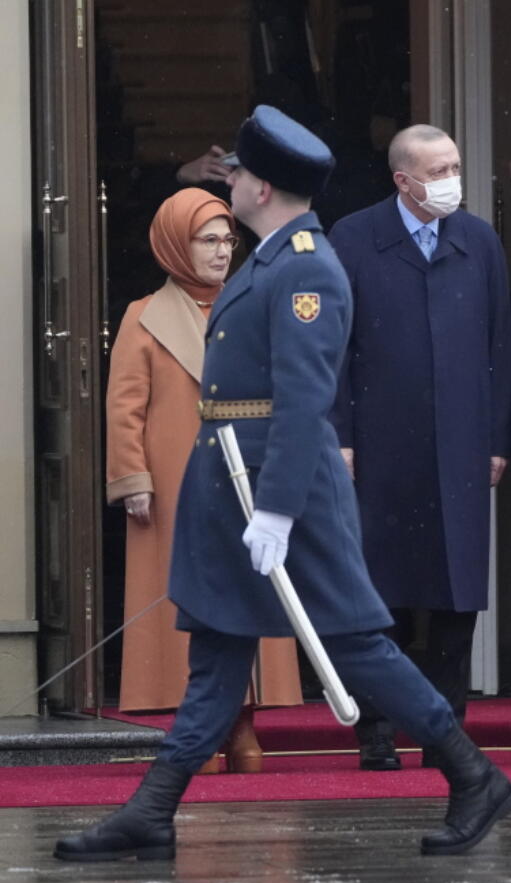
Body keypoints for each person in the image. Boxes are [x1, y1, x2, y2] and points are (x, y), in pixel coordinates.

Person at [54, 105, 511, 862]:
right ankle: (153, 808)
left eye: (237, 171)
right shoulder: (273, 258)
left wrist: (274, 512)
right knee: (219, 648)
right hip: (236, 485)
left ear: (262, 187)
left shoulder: (305, 267)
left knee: (358, 645)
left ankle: (473, 774)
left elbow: (305, 401)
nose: (229, 181)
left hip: (282, 495)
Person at [329, 124, 511, 771]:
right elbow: (336, 351)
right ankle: (376, 731)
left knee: (455, 597)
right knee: (382, 598)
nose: (451, 180)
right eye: (438, 170)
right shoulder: (352, 239)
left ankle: (446, 731)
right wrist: (341, 438)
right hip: (380, 449)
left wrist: (497, 440)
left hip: (461, 448)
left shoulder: (478, 239)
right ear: (402, 180)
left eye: (455, 165)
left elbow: (499, 347)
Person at [106, 188, 302, 772]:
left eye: (226, 240)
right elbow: (124, 408)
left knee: (249, 596)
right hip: (173, 482)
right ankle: (196, 730)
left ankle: (243, 727)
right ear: (175, 244)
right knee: (184, 607)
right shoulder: (143, 316)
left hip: (249, 478)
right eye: (207, 240)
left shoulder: (255, 300)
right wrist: (132, 477)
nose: (221, 253)